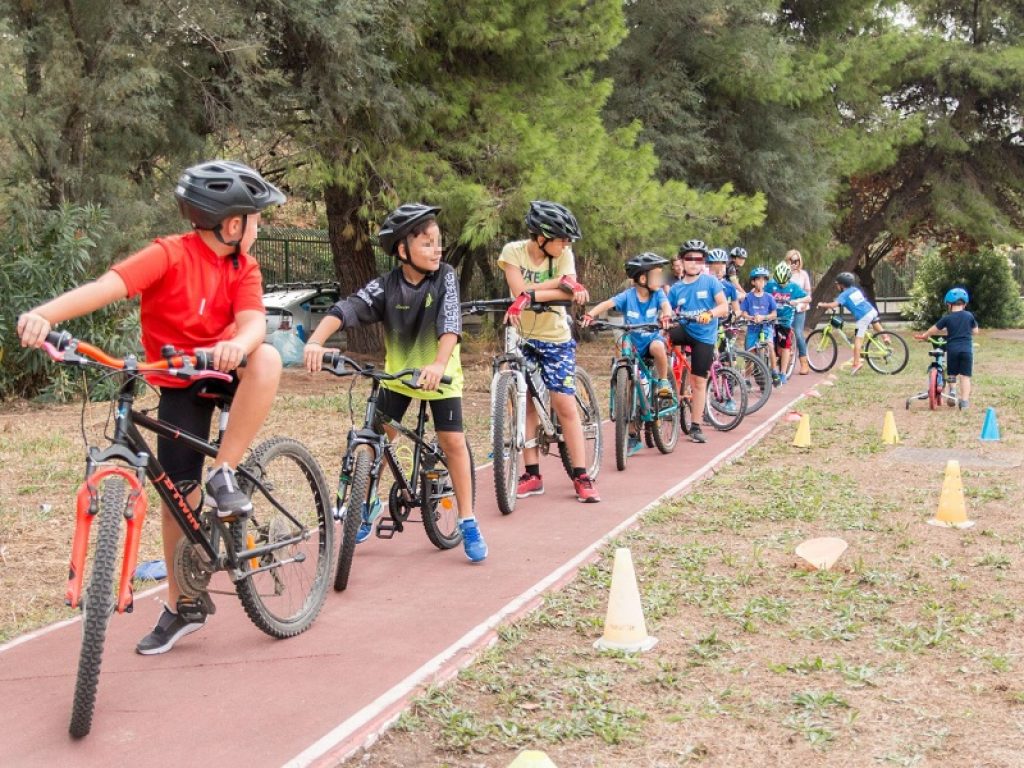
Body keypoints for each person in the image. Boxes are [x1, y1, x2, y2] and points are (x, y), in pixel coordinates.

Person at [17, 160, 286, 654]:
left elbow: (253, 324)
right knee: (176, 498)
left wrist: (237, 344)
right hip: (178, 382)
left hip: (228, 368)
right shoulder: (169, 254)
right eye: (256, 218)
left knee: (266, 356)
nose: (259, 227)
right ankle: (185, 604)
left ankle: (225, 471)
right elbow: (106, 287)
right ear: (232, 225)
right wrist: (42, 315)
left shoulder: (242, 267)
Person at [303, 203, 487, 562]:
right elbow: (349, 308)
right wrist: (315, 341)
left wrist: (437, 364)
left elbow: (451, 323)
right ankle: (364, 504)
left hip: (440, 375)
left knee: (452, 441)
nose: (437, 250)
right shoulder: (387, 286)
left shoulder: (445, 276)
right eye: (427, 244)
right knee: (376, 440)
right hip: (398, 376)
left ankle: (467, 520)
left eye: (438, 243)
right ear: (402, 250)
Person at [499, 201, 599, 503]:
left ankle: (581, 475)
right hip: (522, 337)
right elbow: (519, 290)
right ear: (541, 236)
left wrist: (531, 294)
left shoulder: (564, 254)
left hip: (555, 337)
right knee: (524, 402)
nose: (567, 244)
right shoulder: (512, 252)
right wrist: (556, 285)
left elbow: (566, 291)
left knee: (563, 402)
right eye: (562, 238)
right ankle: (532, 474)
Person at [581, 253, 674, 456]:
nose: (660, 279)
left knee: (659, 347)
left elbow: (666, 306)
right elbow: (607, 304)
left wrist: (666, 315)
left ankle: (664, 382)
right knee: (630, 383)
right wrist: (590, 315)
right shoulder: (628, 295)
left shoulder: (657, 295)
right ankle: (632, 435)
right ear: (642, 279)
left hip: (650, 340)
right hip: (632, 341)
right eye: (656, 275)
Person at [666, 240, 729, 444]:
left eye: (698, 259)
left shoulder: (711, 282)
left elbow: (724, 307)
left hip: (704, 336)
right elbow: (667, 311)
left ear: (703, 262)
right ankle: (662, 377)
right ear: (682, 262)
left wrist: (710, 314)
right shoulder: (676, 289)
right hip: (684, 329)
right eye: (689, 258)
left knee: (698, 381)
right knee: (660, 339)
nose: (694, 262)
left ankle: (696, 426)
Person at [914, 287, 978, 409]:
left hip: (952, 350)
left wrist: (925, 336)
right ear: (965, 304)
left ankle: (952, 392)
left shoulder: (947, 318)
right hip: (966, 350)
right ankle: (964, 402)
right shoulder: (969, 316)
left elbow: (934, 329)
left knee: (952, 374)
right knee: (965, 377)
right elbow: (975, 331)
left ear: (948, 304)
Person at [816, 271, 885, 375]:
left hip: (863, 317)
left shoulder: (844, 295)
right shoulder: (855, 289)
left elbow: (834, 304)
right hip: (871, 311)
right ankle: (885, 337)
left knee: (858, 340)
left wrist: (823, 304)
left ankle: (856, 363)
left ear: (842, 285)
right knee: (873, 322)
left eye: (837, 284)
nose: (837, 286)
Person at [765, 260, 809, 384]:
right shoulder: (770, 285)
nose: (782, 285)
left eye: (784, 283)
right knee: (769, 344)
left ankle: (783, 372)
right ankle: (769, 367)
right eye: (779, 283)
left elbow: (808, 297)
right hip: (771, 319)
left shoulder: (794, 287)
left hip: (785, 321)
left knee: (785, 346)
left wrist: (797, 301)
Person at [739, 266, 779, 381]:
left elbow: (774, 313)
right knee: (750, 354)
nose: (761, 282)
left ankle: (774, 371)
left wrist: (764, 317)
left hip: (766, 327)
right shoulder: (749, 297)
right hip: (752, 328)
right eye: (758, 280)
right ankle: (746, 378)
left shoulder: (769, 297)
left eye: (763, 280)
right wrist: (750, 317)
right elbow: (743, 312)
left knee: (770, 346)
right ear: (753, 282)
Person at [786, 250, 813, 374]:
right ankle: (785, 362)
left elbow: (808, 291)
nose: (794, 263)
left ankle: (804, 362)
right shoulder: (784, 273)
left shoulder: (803, 274)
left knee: (797, 333)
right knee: (784, 334)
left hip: (799, 308)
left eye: (796, 261)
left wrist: (804, 303)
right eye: (792, 260)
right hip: (786, 307)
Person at [707, 248, 741, 319]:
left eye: (722, 266)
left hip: (723, 324)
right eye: (715, 266)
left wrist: (732, 316)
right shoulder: (703, 284)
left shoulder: (730, 286)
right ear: (709, 266)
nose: (719, 271)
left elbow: (737, 310)